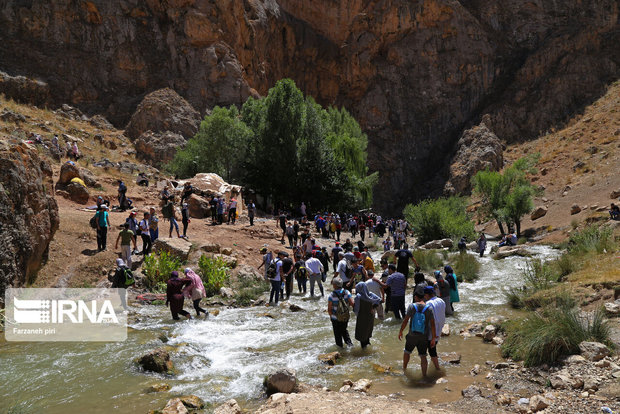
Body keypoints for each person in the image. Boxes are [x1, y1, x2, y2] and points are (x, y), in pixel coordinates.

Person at [398, 285, 436, 376]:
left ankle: (404, 369)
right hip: (423, 336)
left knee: (407, 351)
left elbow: (406, 320)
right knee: (423, 355)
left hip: (412, 335)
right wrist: (434, 337)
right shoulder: (429, 308)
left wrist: (401, 331)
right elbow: (432, 324)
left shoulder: (412, 306)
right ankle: (424, 375)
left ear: (415, 297)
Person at [423, 285, 446, 371]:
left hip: (432, 330)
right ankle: (434, 364)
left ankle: (437, 368)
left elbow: (430, 319)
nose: (424, 297)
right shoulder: (441, 300)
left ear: (427, 295)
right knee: (433, 347)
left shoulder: (429, 303)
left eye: (425, 295)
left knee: (431, 350)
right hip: (440, 327)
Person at [328, 278, 354, 348]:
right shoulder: (347, 292)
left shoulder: (331, 295)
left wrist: (331, 316)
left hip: (335, 318)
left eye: (333, 284)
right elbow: (352, 304)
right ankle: (350, 346)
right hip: (345, 316)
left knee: (337, 334)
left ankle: (340, 350)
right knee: (344, 331)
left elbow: (329, 309)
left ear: (335, 285)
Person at [354, 282, 382, 348]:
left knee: (361, 334)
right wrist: (373, 307)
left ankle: (364, 352)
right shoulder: (371, 294)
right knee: (367, 332)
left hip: (362, 317)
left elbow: (356, 310)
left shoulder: (358, 297)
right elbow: (379, 300)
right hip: (370, 316)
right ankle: (368, 346)